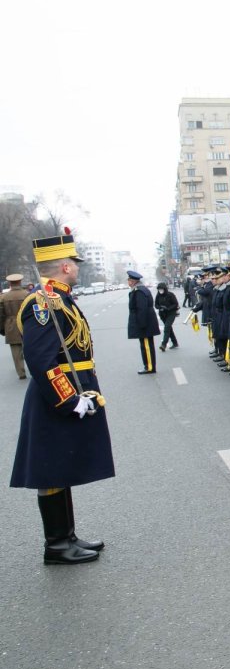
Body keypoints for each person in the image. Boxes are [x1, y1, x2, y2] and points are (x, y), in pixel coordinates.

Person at [9, 229, 111, 564]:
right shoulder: (42, 304)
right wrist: (69, 400)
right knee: (51, 469)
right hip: (54, 399)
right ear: (65, 266)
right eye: (74, 263)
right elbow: (40, 360)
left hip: (67, 391)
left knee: (61, 466)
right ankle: (56, 544)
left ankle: (67, 535)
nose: (78, 268)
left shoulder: (60, 299)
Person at [126, 270, 159, 374]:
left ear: (133, 281)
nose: (128, 282)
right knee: (145, 345)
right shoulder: (139, 290)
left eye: (129, 280)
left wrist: (142, 324)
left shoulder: (139, 291)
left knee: (146, 346)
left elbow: (142, 309)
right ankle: (148, 365)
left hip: (144, 323)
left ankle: (149, 367)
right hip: (145, 322)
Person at [1, 272, 28, 380]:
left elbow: (1, 315)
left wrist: (2, 328)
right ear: (20, 282)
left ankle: (21, 372)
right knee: (30, 349)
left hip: (11, 325)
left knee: (16, 352)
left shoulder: (4, 297)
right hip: (26, 324)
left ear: (10, 283)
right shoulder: (27, 294)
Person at [154, 282, 180, 352]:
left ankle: (163, 344)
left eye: (161, 289)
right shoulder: (158, 295)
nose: (160, 291)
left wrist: (168, 308)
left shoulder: (170, 295)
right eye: (159, 289)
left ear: (165, 289)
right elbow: (156, 304)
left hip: (171, 313)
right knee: (169, 328)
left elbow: (175, 304)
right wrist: (160, 307)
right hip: (162, 314)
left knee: (167, 327)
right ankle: (175, 342)